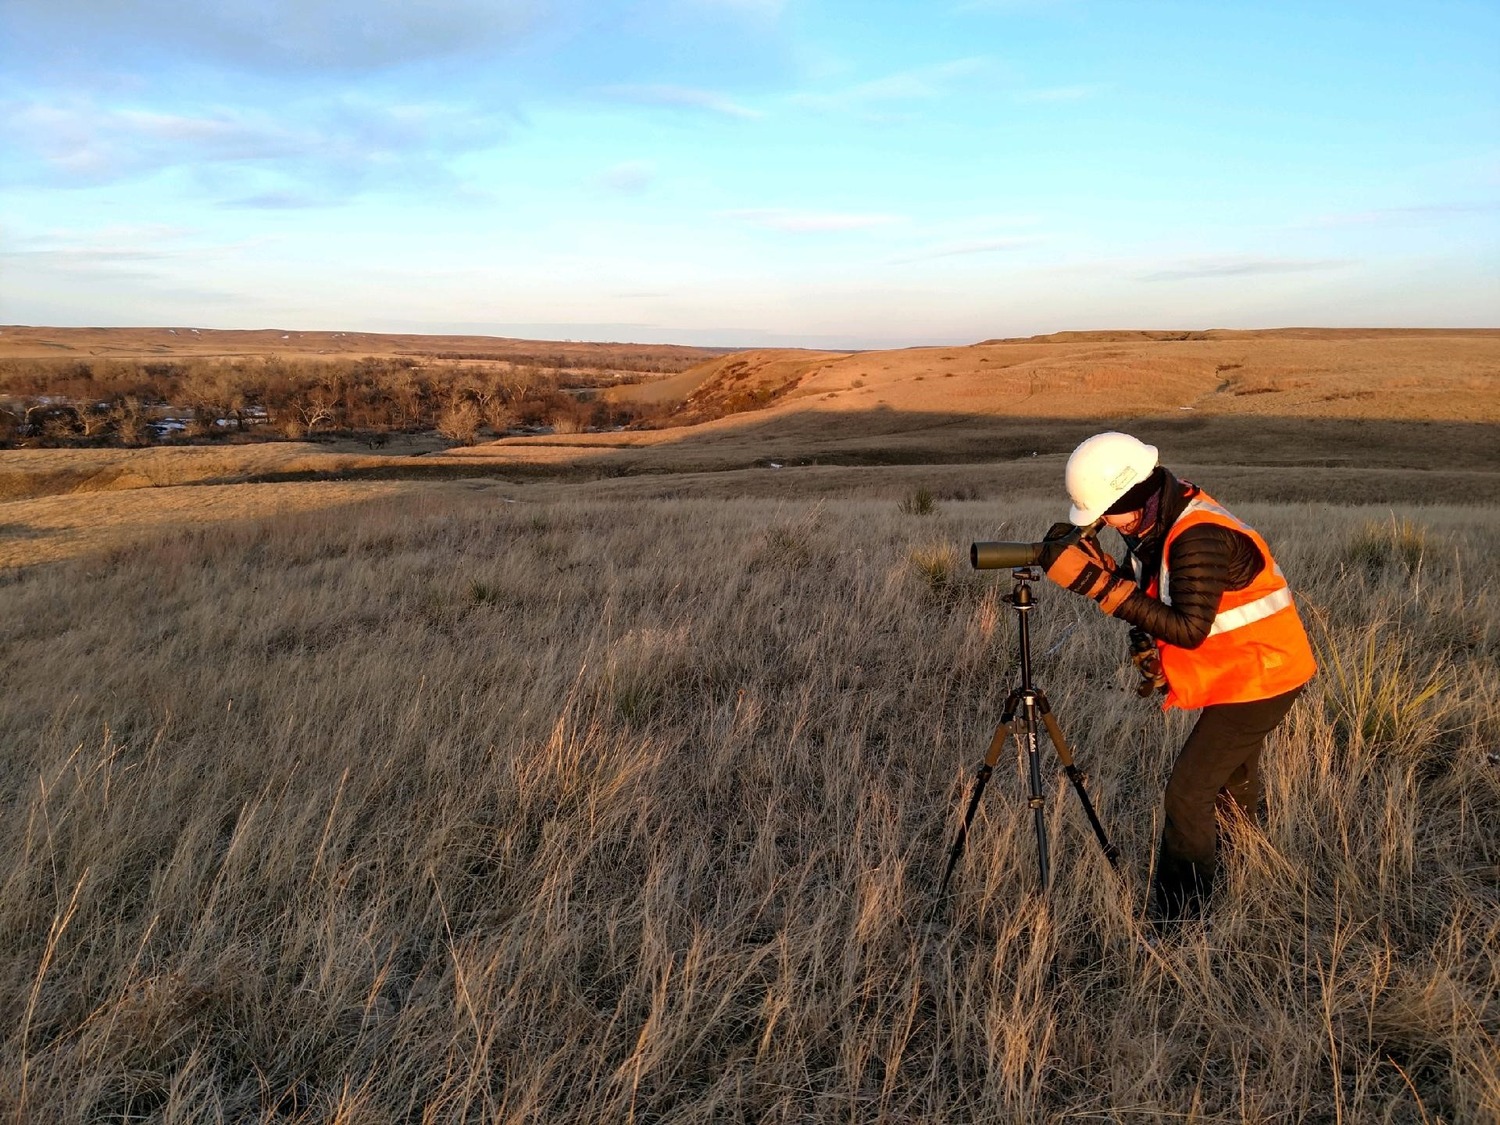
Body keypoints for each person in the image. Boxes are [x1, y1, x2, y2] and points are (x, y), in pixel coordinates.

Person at [1038, 432, 1317, 928]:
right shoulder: (1160, 519)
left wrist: (1095, 583)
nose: (1104, 523)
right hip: (1244, 671)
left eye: (1108, 512)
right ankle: (1243, 869)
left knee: (1188, 793)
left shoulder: (1198, 535)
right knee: (1230, 778)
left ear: (1134, 496)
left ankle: (1181, 923)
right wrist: (1115, 573)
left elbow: (1189, 629)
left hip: (1263, 676)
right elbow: (1160, 588)